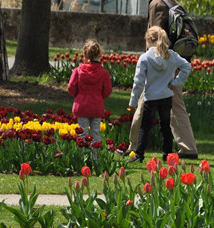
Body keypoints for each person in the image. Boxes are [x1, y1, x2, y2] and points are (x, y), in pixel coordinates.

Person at [118, 0, 198, 160]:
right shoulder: (173, 3)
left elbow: (156, 35)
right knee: (177, 108)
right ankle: (188, 147)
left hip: (159, 70)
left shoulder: (156, 4)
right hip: (173, 63)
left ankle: (134, 148)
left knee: (143, 106)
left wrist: (150, 62)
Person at [127, 27, 191, 164]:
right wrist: (176, 82)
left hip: (150, 97)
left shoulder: (145, 58)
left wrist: (133, 102)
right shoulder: (171, 55)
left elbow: (138, 82)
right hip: (167, 95)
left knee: (145, 126)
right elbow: (187, 66)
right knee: (165, 126)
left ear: (149, 40)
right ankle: (168, 153)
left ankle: (139, 154)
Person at [67, 39, 113, 163]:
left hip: (81, 105)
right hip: (96, 106)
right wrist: (99, 96)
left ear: (84, 54)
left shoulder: (78, 71)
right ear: (99, 55)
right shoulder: (103, 73)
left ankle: (80, 159)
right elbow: (107, 91)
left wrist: (78, 95)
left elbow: (71, 87)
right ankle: (95, 159)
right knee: (95, 133)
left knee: (81, 133)